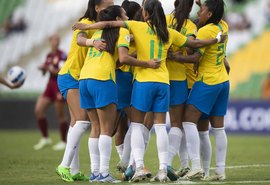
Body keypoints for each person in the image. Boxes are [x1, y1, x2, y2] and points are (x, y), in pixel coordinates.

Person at [72, 0, 225, 182]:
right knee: (161, 127)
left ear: (145, 14)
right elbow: (196, 44)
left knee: (137, 125)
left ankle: (137, 166)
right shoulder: (169, 33)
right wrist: (216, 40)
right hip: (164, 82)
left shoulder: (138, 27)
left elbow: (110, 23)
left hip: (143, 82)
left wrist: (86, 25)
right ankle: (163, 169)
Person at [79, 5, 160, 183]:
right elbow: (123, 59)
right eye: (123, 15)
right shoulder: (122, 31)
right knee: (106, 130)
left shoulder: (98, 33)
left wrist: (87, 36)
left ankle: (95, 173)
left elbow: (80, 39)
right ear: (117, 19)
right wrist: (146, 61)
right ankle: (104, 173)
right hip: (102, 79)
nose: (126, 18)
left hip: (84, 78)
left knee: (95, 128)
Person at [170, 0, 229, 181]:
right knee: (216, 128)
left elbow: (195, 56)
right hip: (223, 82)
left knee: (188, 121)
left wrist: (173, 57)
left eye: (201, 9)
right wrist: (201, 2)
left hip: (207, 82)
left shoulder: (203, 31)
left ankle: (195, 166)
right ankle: (217, 171)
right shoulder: (223, 25)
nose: (198, 12)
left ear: (209, 14)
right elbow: (213, 13)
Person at [56, 0, 113, 182]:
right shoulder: (87, 22)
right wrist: (93, 42)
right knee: (81, 120)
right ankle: (63, 165)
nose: (110, 9)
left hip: (78, 77)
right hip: (70, 76)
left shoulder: (101, 27)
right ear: (96, 8)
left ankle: (73, 170)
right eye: (107, 6)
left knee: (76, 123)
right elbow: (80, 39)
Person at [165, 0, 197, 181]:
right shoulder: (191, 25)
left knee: (152, 123)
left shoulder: (165, 19)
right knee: (179, 123)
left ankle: (183, 164)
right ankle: (167, 164)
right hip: (179, 78)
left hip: (159, 75)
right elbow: (192, 45)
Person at [33, 34, 68, 151]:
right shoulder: (49, 55)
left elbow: (61, 71)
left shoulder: (62, 55)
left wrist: (47, 68)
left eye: (58, 40)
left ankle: (63, 141)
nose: (56, 42)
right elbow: (46, 72)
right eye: (54, 40)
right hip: (49, 86)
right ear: (50, 41)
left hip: (58, 86)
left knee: (60, 115)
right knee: (39, 110)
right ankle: (45, 138)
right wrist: (43, 69)